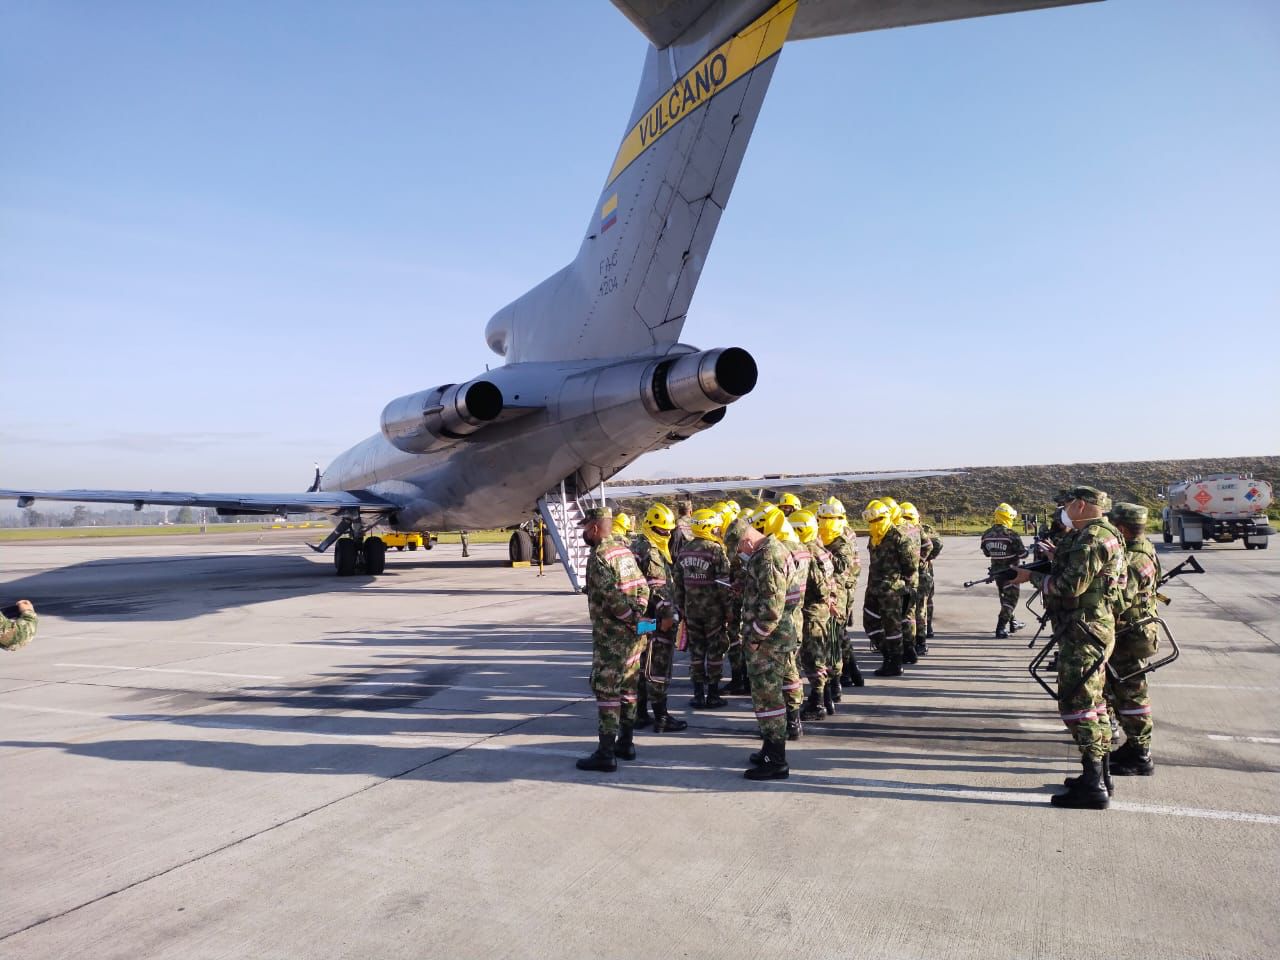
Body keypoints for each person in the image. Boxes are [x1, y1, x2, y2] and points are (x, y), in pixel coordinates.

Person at [1013, 485, 1127, 808]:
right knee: (1096, 703)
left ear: (1079, 505)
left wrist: (1030, 578)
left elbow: (1068, 587)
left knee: (1078, 706)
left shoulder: (1091, 538)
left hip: (1083, 632)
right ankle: (1100, 775)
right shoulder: (1105, 533)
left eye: (1066, 505)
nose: (1062, 510)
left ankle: (1093, 786)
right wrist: (1055, 557)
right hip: (1093, 628)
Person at [576, 507, 651, 772]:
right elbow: (643, 586)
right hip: (634, 637)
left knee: (607, 691)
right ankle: (626, 743)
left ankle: (606, 753)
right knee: (629, 688)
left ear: (595, 528)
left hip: (612, 639)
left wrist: (629, 617)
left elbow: (611, 597)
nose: (584, 534)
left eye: (586, 528)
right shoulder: (624, 551)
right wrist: (639, 617)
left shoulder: (599, 557)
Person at [739, 513, 799, 780]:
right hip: (778, 637)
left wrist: (755, 637)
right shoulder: (776, 549)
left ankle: (776, 760)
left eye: (739, 546)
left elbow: (773, 609)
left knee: (768, 699)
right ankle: (769, 749)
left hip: (768, 642)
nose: (739, 552)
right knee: (769, 697)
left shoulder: (766, 556)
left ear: (748, 540)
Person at [1105, 502, 1161, 776]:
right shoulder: (1140, 548)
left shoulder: (1135, 560)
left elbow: (1119, 600)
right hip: (1130, 631)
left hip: (1131, 634)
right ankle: (1134, 746)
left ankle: (1140, 753)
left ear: (1122, 529)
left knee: (1132, 693)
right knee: (1122, 691)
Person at [630, 503, 688, 733]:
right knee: (658, 666)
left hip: (642, 620)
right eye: (663, 530)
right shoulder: (651, 551)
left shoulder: (639, 544)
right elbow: (658, 589)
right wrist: (667, 617)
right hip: (654, 619)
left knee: (643, 665)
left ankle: (640, 714)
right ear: (652, 527)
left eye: (669, 530)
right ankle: (661, 717)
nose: (667, 534)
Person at [754, 506, 809, 739]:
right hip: (795, 617)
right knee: (791, 670)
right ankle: (794, 719)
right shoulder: (800, 548)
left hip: (779, 623)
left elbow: (772, 601)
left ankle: (779, 728)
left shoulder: (774, 552)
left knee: (773, 678)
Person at [673, 507, 731, 710]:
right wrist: (728, 610)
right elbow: (724, 585)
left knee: (696, 652)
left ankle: (698, 694)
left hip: (691, 611)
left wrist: (680, 609)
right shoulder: (715, 550)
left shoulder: (684, 550)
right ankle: (713, 693)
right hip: (713, 612)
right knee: (715, 652)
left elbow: (677, 584)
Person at [862, 500, 918, 677]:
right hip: (873, 588)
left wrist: (900, 583)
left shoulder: (898, 537)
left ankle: (894, 662)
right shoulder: (874, 537)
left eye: (876, 520)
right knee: (870, 622)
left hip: (892, 591)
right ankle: (888, 653)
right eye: (870, 521)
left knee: (892, 626)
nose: (872, 524)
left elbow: (910, 565)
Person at [791, 510, 838, 721]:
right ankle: (826, 699)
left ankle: (817, 702)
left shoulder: (807, 551)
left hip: (811, 611)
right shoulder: (820, 548)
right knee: (821, 655)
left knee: (812, 658)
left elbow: (818, 585)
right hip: (822, 610)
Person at [819, 499, 863, 693]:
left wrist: (821, 555)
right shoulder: (828, 534)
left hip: (840, 591)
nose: (827, 522)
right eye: (824, 518)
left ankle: (843, 674)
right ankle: (852, 671)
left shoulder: (843, 537)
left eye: (831, 518)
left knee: (836, 634)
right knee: (839, 633)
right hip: (837, 589)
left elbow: (845, 565)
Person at [720, 500, 752, 695]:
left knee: (745, 642)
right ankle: (738, 678)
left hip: (746, 607)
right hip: (738, 604)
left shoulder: (755, 554)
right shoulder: (738, 552)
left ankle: (745, 680)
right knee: (735, 641)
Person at [980, 503, 1026, 639]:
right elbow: (1023, 554)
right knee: (1010, 601)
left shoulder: (986, 534)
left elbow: (986, 553)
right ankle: (1000, 628)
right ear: (1008, 517)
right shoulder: (1011, 535)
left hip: (997, 573)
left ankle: (1013, 622)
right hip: (1012, 573)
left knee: (1004, 598)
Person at [897, 502, 924, 661]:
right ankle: (914, 644)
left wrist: (920, 561)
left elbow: (931, 545)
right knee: (913, 611)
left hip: (908, 578)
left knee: (909, 612)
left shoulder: (903, 531)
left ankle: (912, 645)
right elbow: (930, 545)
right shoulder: (917, 529)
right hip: (914, 576)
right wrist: (922, 560)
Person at [916, 510, 942, 645]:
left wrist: (927, 558)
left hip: (925, 571)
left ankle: (928, 626)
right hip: (914, 571)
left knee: (926, 601)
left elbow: (937, 544)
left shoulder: (925, 529)